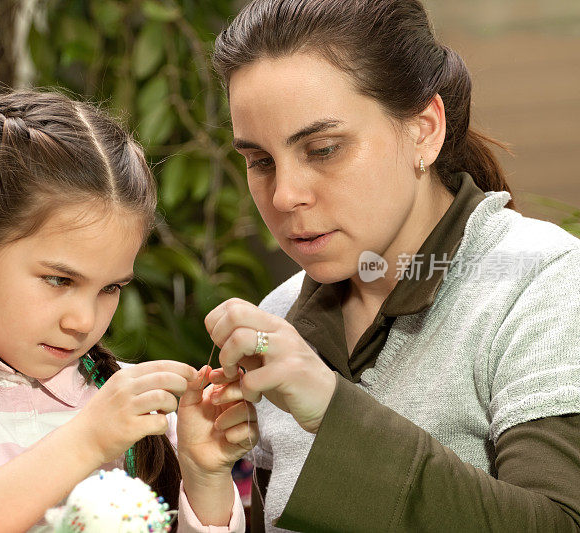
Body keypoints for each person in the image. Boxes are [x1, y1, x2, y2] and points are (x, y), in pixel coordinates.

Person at [203, 0, 580, 531]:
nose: (285, 195)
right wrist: (205, 477)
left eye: (323, 148)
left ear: (424, 130)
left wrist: (334, 413)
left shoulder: (543, 283)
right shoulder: (279, 314)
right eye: (260, 162)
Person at [0, 90, 255, 532]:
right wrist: (85, 441)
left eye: (110, 288)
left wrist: (205, 476)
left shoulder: (137, 411)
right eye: (59, 280)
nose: (84, 322)